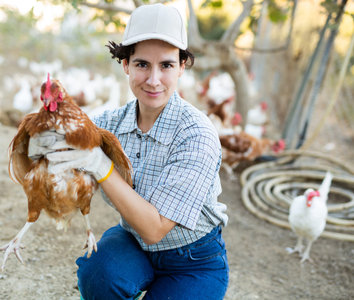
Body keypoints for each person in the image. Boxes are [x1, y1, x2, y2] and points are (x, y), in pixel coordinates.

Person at [29, 3, 229, 299]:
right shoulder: (109, 123)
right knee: (98, 270)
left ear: (182, 66)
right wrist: (44, 141)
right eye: (142, 64)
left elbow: (155, 228)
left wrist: (100, 165)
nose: (153, 80)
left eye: (166, 65)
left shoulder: (196, 134)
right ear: (126, 64)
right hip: (134, 242)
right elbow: (59, 143)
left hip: (193, 260)